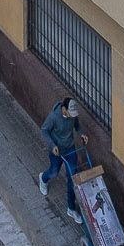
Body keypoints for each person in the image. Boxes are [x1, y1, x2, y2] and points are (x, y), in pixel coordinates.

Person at [36, 96, 87, 225]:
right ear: (64, 109)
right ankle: (43, 178)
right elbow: (44, 130)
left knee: (72, 178)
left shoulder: (73, 116)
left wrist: (82, 134)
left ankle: (71, 208)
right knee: (54, 171)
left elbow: (77, 125)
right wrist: (52, 146)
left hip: (70, 149)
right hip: (57, 150)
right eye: (70, 113)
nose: (72, 116)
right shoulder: (54, 116)